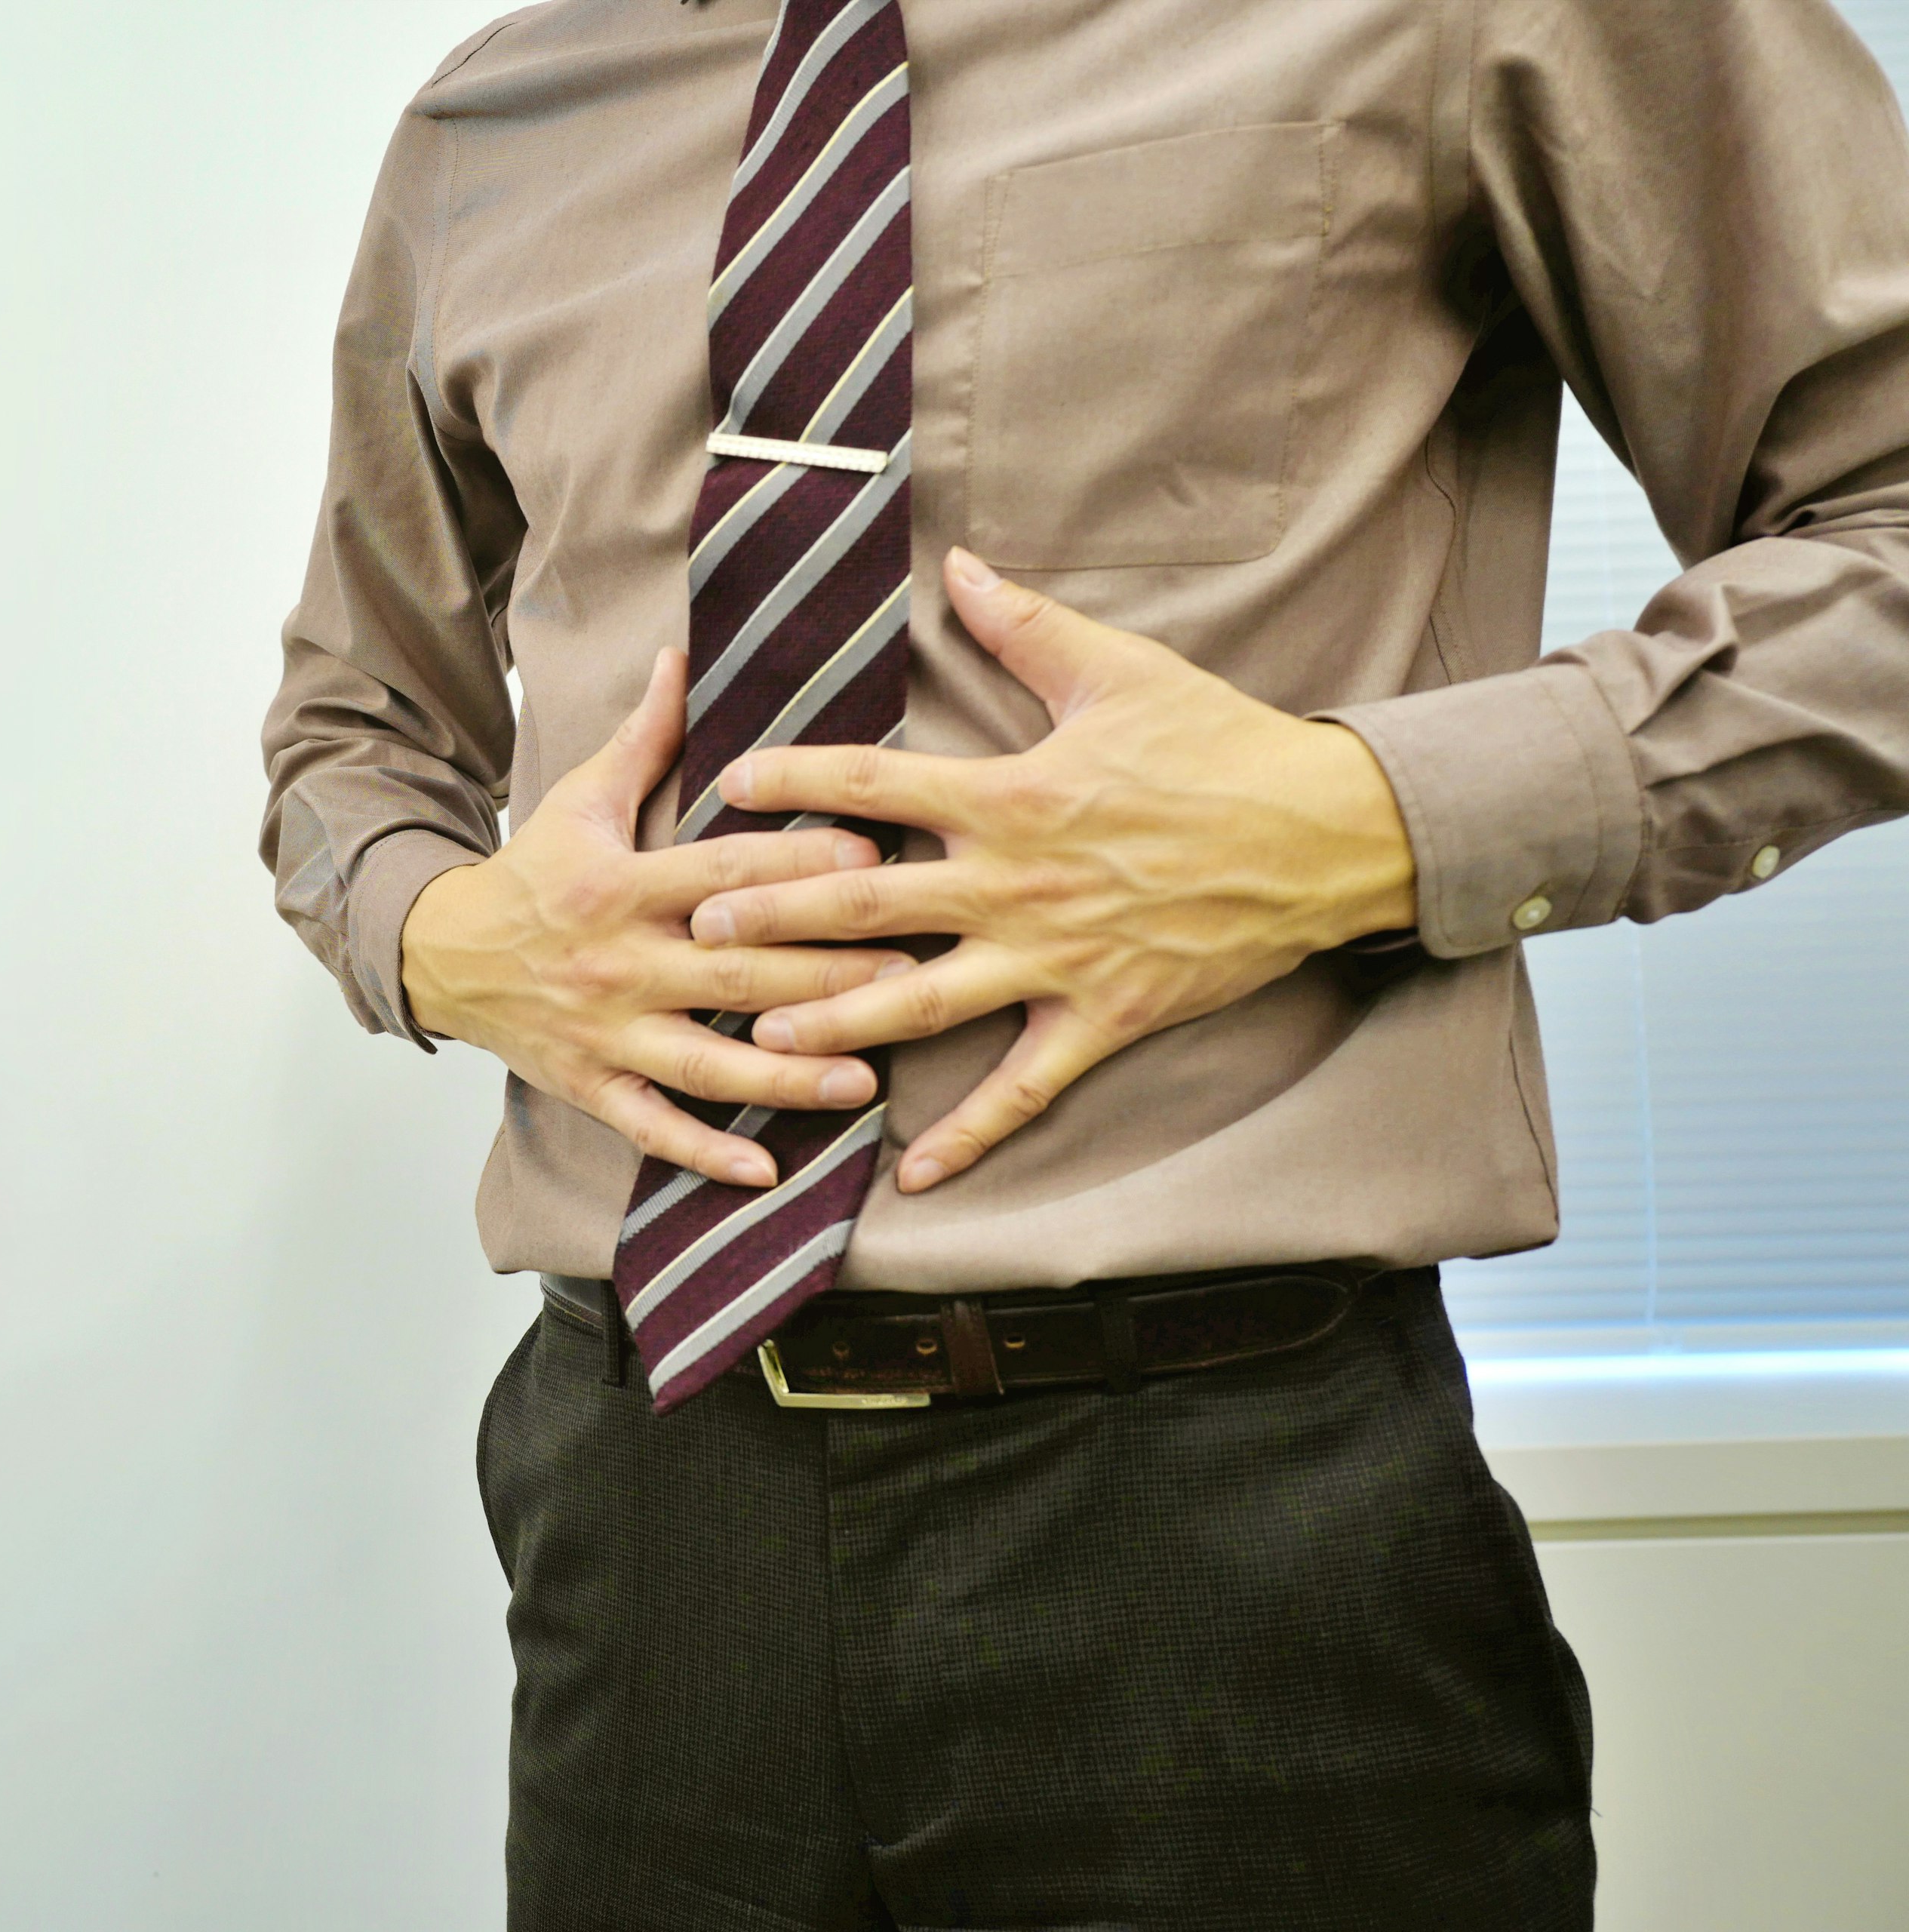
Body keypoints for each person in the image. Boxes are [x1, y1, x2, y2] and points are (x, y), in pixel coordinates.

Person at [257, 0, 1909, 1924]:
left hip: (1227, 1524)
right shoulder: (503, 113)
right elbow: (353, 723)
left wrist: (1358, 817)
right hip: (644, 1512)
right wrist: (453, 935)